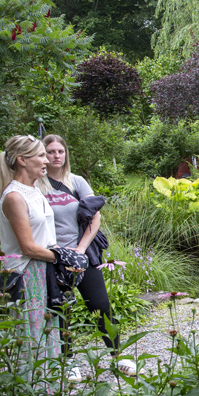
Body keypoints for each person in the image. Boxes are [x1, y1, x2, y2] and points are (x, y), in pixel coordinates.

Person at [37, 134, 134, 378]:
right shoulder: (38, 184)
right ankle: (68, 361)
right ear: (43, 155)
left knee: (100, 306)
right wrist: (56, 254)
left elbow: (95, 215)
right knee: (61, 310)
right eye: (50, 152)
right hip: (53, 258)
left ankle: (118, 356)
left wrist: (80, 249)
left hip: (83, 255)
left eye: (60, 151)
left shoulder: (76, 181)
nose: (56, 156)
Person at [0, 135, 61, 367]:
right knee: (31, 334)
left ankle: (48, 392)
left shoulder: (34, 191)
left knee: (49, 329)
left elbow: (45, 237)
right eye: (41, 155)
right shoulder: (14, 196)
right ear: (22, 159)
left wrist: (60, 256)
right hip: (27, 273)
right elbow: (27, 247)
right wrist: (63, 258)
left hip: (44, 269)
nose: (47, 161)